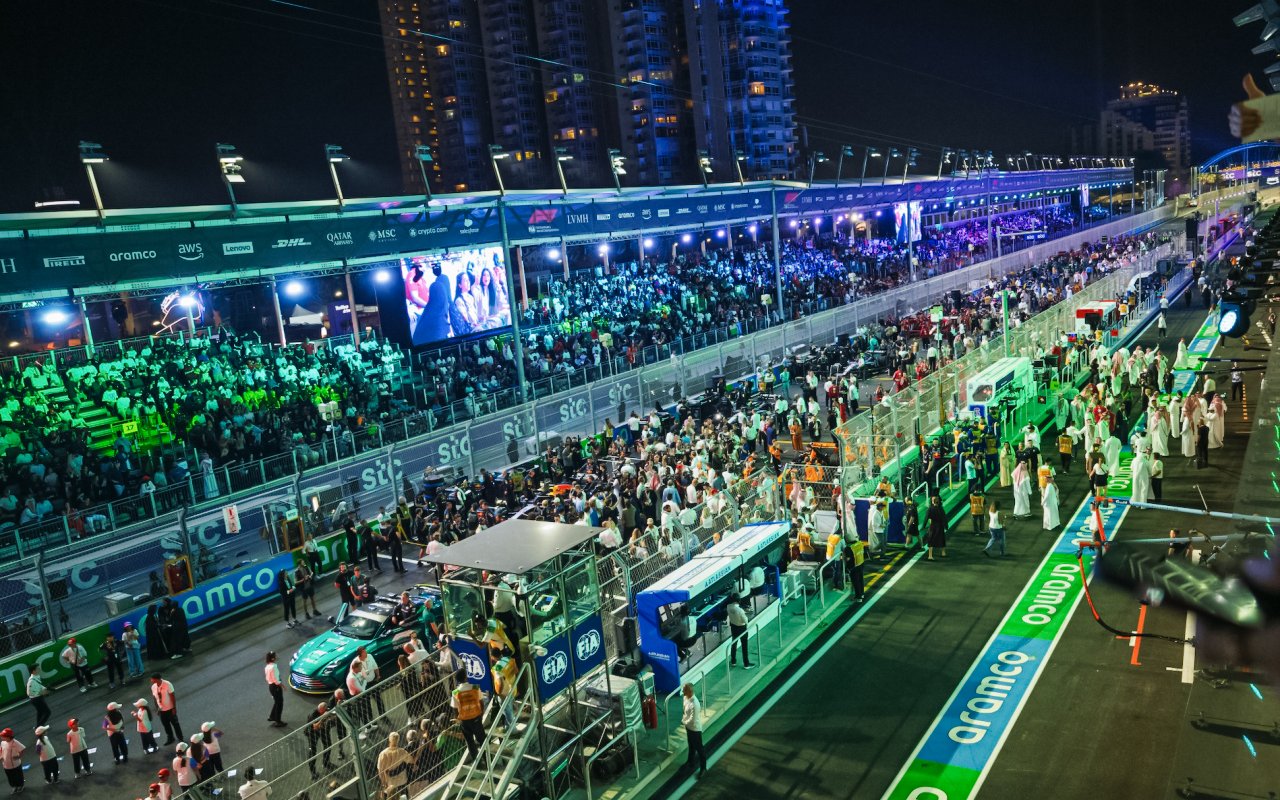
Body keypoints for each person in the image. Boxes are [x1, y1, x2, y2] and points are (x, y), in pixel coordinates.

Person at [451, 671, 486, 762]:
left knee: (470, 742)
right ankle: (487, 759)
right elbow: (481, 702)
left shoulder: (455, 692)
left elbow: (455, 708)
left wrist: (458, 719)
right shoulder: (475, 687)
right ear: (466, 677)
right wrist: (481, 714)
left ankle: (477, 762)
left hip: (464, 720)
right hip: (476, 717)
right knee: (482, 739)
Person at [376, 731, 415, 798]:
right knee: (404, 796)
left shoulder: (383, 754)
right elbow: (411, 761)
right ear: (398, 741)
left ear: (389, 740)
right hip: (402, 781)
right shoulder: (402, 751)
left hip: (390, 783)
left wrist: (383, 781)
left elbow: (380, 770)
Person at [681, 683, 706, 777]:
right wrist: (684, 720)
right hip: (688, 727)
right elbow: (684, 711)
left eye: (684, 690)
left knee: (699, 749)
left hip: (695, 729)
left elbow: (693, 719)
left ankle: (703, 768)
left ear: (690, 691)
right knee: (691, 745)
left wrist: (684, 722)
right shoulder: (685, 698)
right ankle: (690, 762)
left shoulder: (695, 704)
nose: (682, 691)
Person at [150, 673, 182, 745]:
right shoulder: (153, 687)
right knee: (166, 725)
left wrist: (174, 708)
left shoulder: (167, 684)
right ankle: (170, 738)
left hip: (170, 709)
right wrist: (157, 708)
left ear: (157, 679)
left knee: (175, 724)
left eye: (152, 679)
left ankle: (180, 738)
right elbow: (155, 698)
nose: (151, 680)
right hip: (162, 710)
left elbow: (172, 696)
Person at [306, 702, 333, 779]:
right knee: (312, 752)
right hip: (312, 733)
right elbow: (315, 727)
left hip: (321, 730)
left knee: (328, 744)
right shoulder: (313, 715)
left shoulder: (324, 710)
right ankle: (313, 772)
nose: (325, 711)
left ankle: (326, 762)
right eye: (324, 710)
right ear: (321, 710)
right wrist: (322, 718)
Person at [726, 598, 753, 670]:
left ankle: (733, 661)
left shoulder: (728, 606)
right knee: (744, 646)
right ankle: (746, 664)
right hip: (741, 628)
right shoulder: (740, 610)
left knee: (734, 644)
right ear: (739, 601)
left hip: (733, 627)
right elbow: (746, 620)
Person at [265, 651, 287, 727]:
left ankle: (272, 716)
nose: (277, 656)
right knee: (280, 703)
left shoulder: (267, 666)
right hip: (276, 687)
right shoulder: (274, 666)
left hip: (271, 686)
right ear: (273, 658)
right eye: (275, 655)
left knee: (276, 702)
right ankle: (278, 721)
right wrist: (282, 685)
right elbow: (276, 679)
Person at [0, 729, 23, 794]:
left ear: (8, 737)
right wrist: (1, 756)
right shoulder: (2, 743)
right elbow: (1, 750)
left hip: (15, 765)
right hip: (6, 765)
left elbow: (22, 749)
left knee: (18, 775)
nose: (1, 738)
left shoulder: (15, 742)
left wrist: (18, 756)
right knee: (10, 777)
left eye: (2, 736)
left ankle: (20, 785)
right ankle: (14, 786)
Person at [925, 495, 947, 561]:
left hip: (933, 526)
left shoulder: (930, 509)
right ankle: (943, 552)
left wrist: (923, 526)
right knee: (942, 538)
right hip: (940, 526)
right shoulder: (941, 509)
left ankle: (930, 555)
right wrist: (946, 526)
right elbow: (944, 518)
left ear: (932, 501)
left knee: (931, 540)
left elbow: (926, 518)